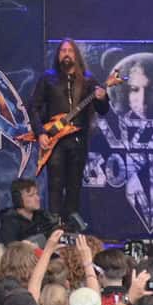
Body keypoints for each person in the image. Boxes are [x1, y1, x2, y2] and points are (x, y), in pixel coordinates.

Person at [28, 40, 109, 220]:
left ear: (76, 55)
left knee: (74, 185)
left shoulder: (88, 79)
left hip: (78, 139)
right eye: (63, 50)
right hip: (55, 139)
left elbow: (103, 110)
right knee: (55, 184)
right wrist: (40, 132)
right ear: (58, 55)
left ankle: (70, 224)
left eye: (70, 50)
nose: (66, 53)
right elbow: (33, 107)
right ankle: (55, 225)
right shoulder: (48, 78)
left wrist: (102, 98)